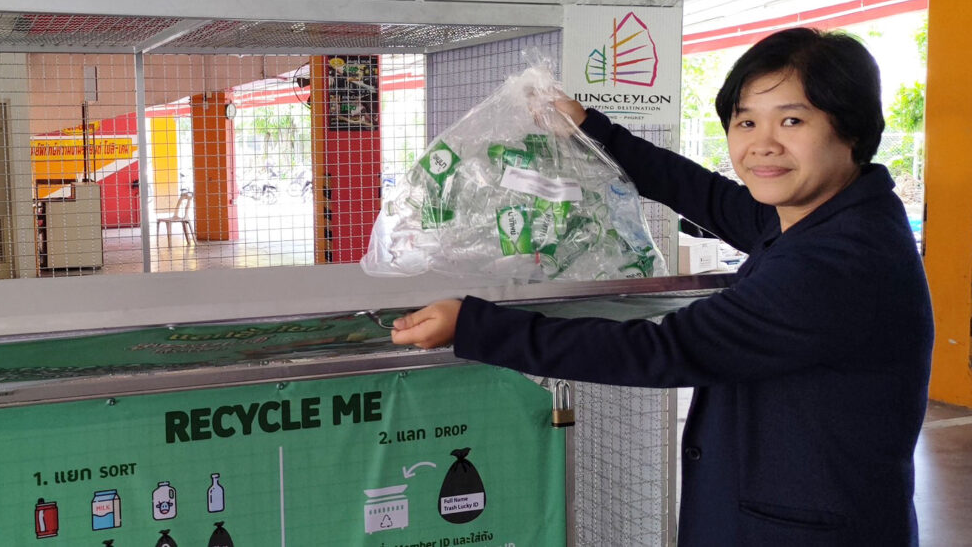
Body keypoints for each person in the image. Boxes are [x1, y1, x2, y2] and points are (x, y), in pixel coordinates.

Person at [391, 28, 934, 546]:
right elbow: (706, 195)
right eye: (746, 122)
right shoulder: (827, 216)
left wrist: (477, 326)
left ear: (853, 130)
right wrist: (593, 131)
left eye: (791, 120)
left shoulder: (838, 263)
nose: (762, 145)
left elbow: (662, 349)